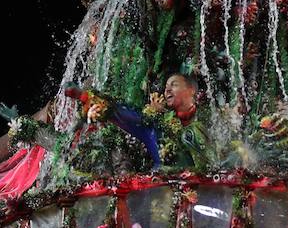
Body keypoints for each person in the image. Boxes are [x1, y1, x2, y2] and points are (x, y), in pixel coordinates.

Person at [85, 73, 213, 172]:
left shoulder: (210, 117)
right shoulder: (157, 127)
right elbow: (131, 117)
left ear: (191, 90)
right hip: (167, 188)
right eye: (166, 87)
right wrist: (103, 108)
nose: (167, 90)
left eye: (174, 85)